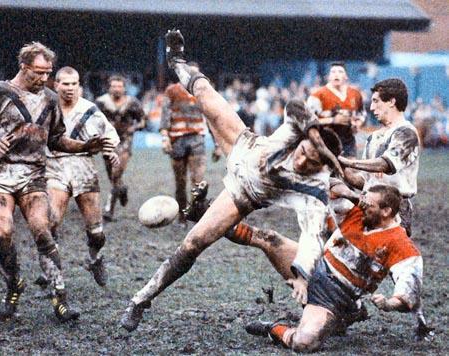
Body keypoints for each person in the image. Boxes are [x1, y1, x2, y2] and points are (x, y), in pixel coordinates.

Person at [119, 29, 344, 332]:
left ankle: (140, 300)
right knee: (205, 94)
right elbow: (295, 106)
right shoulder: (298, 133)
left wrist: (302, 277)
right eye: (304, 152)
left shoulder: (316, 191)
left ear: (320, 168)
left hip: (245, 193)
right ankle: (177, 60)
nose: (302, 160)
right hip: (243, 144)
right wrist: (314, 133)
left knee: (193, 242)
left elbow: (310, 238)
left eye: (310, 163)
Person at [0, 42, 110, 321]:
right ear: (24, 67)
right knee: (2, 233)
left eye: (48, 73)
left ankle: (61, 298)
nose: (45, 79)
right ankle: (13, 282)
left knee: (42, 232)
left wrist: (84, 146)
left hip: (33, 175)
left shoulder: (50, 99)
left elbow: (56, 139)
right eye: (39, 73)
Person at [245, 185, 423, 352]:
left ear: (386, 211)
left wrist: (388, 304)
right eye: (363, 201)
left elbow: (409, 295)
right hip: (316, 267)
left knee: (304, 343)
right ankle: (226, 226)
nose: (363, 206)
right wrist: (353, 195)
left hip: (335, 296)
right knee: (267, 238)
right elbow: (328, 184)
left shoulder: (402, 245)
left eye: (370, 205)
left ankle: (274, 328)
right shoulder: (354, 210)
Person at [44, 66, 120, 287]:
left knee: (96, 232)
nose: (69, 88)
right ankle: (52, 268)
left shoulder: (90, 110)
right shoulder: (47, 108)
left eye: (74, 84)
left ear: (80, 86)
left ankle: (95, 259)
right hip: (55, 165)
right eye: (65, 84)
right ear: (55, 85)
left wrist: (110, 152)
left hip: (84, 168)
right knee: (52, 222)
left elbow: (109, 137)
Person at [338, 78, 420, 237]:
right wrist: (340, 167)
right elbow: (364, 181)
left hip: (393, 209)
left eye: (376, 101)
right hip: (368, 205)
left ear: (391, 101)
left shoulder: (406, 133)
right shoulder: (374, 137)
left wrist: (350, 162)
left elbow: (386, 164)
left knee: (387, 259)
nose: (371, 107)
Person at [95, 75, 146, 221]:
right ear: (109, 87)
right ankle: (122, 189)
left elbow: (143, 120)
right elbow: (93, 120)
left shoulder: (132, 103)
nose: (117, 89)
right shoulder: (101, 102)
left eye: (119, 86)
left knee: (117, 173)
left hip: (125, 141)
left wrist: (134, 128)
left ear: (124, 88)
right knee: (112, 176)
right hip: (107, 142)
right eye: (114, 86)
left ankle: (109, 209)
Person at [160, 71, 208, 224]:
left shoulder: (203, 91)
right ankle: (182, 215)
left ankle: (197, 215)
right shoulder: (172, 90)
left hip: (197, 138)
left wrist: (218, 144)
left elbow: (211, 115)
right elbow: (165, 114)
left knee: (198, 181)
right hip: (177, 139)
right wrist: (165, 137)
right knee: (180, 183)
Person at [307, 62, 366, 157]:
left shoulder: (355, 94)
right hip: (325, 140)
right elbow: (308, 121)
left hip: (348, 140)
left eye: (340, 72)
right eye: (333, 72)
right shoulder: (317, 95)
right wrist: (332, 120)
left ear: (346, 76)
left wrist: (357, 123)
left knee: (350, 169)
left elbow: (361, 113)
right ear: (328, 76)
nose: (336, 74)